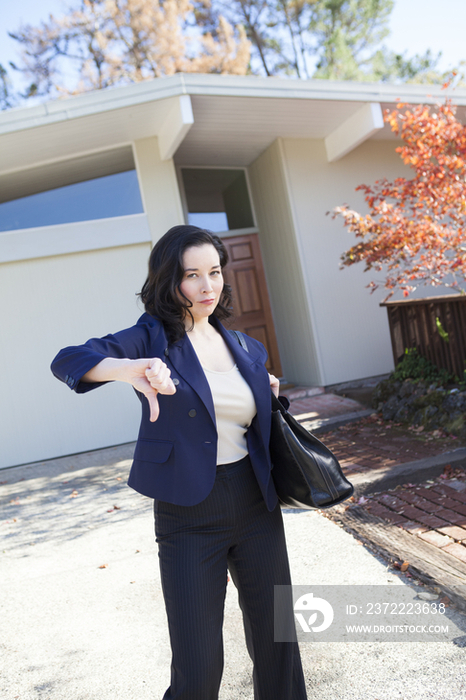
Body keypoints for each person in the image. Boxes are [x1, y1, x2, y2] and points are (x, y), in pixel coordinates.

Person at [51, 224, 308, 700]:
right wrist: (130, 370)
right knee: (198, 663)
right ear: (170, 281)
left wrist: (267, 392)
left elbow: (251, 422)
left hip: (257, 505)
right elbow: (69, 358)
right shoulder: (152, 337)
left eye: (214, 272)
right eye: (192, 275)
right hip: (189, 513)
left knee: (278, 644)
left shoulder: (248, 350)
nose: (207, 286)